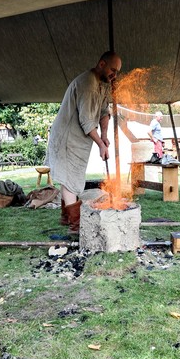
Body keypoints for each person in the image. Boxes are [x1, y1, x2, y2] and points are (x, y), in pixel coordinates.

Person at [47, 51, 121, 233]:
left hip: (78, 140)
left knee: (73, 177)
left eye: (117, 71)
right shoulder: (87, 83)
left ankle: (66, 218)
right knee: (70, 179)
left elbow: (104, 111)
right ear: (102, 64)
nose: (115, 75)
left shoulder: (104, 85)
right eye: (113, 70)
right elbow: (87, 121)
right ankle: (75, 226)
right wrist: (101, 145)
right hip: (66, 138)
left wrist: (104, 135)